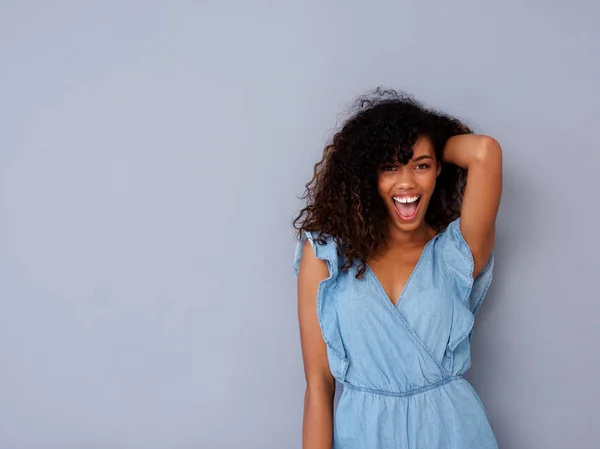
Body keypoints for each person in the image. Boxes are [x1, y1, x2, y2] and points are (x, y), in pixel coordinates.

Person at [292, 88, 502, 449]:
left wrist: (429, 142)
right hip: (363, 435)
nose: (407, 182)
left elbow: (484, 152)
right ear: (366, 177)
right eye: (389, 167)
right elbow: (319, 385)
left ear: (439, 169)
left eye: (421, 165)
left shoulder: (457, 252)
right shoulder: (327, 255)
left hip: (452, 433)